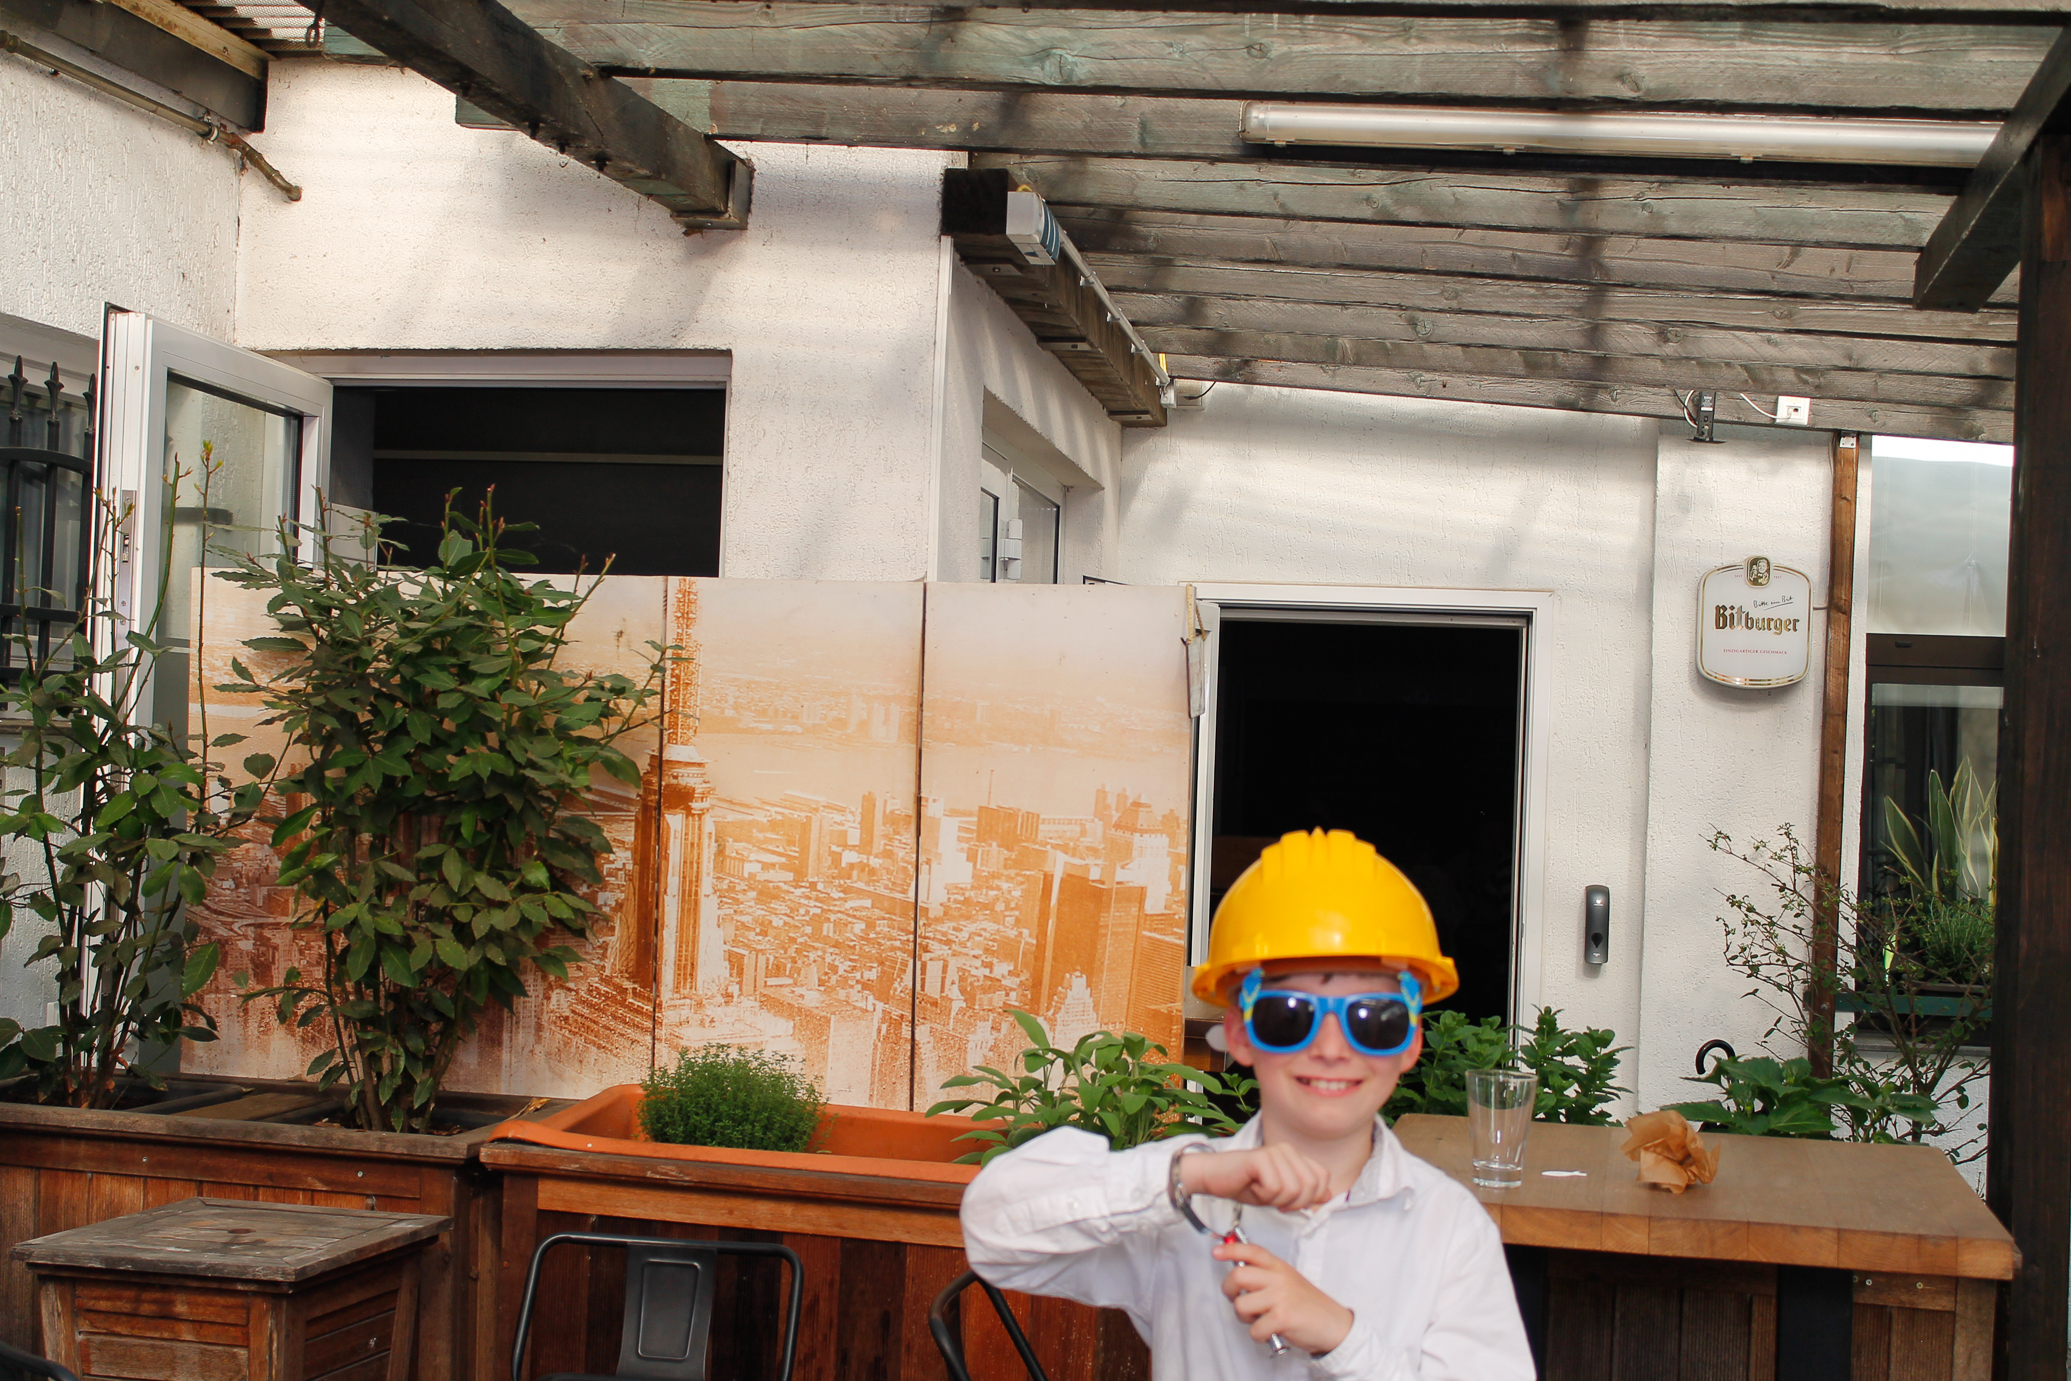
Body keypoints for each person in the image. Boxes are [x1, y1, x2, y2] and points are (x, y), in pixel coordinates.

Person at [960, 828, 1535, 1380]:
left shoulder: (1449, 1229)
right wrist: (1192, 1176)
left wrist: (1342, 1338)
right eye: (1288, 1016)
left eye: (1372, 1019)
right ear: (1238, 1034)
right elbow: (992, 1231)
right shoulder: (1183, 1206)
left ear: (1409, 1041)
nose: (1331, 1049)